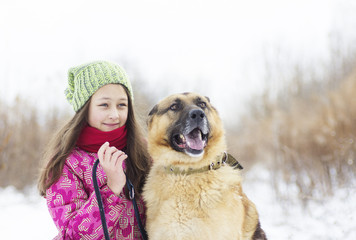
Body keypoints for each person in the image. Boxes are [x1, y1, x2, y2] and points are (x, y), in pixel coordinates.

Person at [38, 60, 151, 239]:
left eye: (122, 105)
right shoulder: (66, 162)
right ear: (85, 108)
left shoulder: (145, 151)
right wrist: (112, 188)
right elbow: (73, 236)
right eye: (104, 105)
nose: (114, 114)